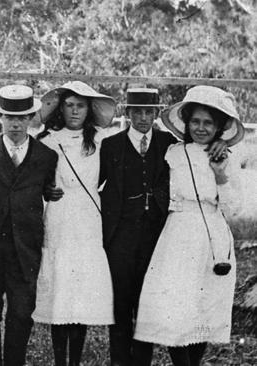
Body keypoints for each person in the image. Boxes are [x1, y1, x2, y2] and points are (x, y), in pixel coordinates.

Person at [97, 87, 227, 366]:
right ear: (127, 113)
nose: (143, 118)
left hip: (158, 237)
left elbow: (206, 145)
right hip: (120, 237)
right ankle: (120, 362)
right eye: (137, 112)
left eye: (148, 112)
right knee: (120, 305)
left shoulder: (168, 143)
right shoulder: (111, 146)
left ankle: (142, 361)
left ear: (157, 113)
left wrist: (222, 144)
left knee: (150, 304)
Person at [134, 86, 243, 366]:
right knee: (174, 307)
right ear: (186, 123)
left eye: (208, 123)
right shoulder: (172, 153)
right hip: (178, 235)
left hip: (212, 237)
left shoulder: (225, 158)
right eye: (195, 121)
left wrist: (220, 175)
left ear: (219, 126)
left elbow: (233, 209)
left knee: (202, 308)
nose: (201, 128)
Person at [0, 85, 58, 366]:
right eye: (9, 117)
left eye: (22, 117)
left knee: (21, 313)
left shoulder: (46, 156)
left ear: (32, 117)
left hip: (25, 248)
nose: (16, 124)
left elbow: (48, 190)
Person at [32, 81, 115, 366]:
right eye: (69, 105)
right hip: (59, 216)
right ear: (60, 108)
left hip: (89, 219)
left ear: (89, 109)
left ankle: (75, 360)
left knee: (81, 290)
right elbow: (38, 179)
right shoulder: (47, 140)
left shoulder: (102, 141)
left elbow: (108, 177)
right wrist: (46, 189)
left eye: (81, 105)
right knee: (60, 289)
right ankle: (59, 360)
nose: (75, 111)